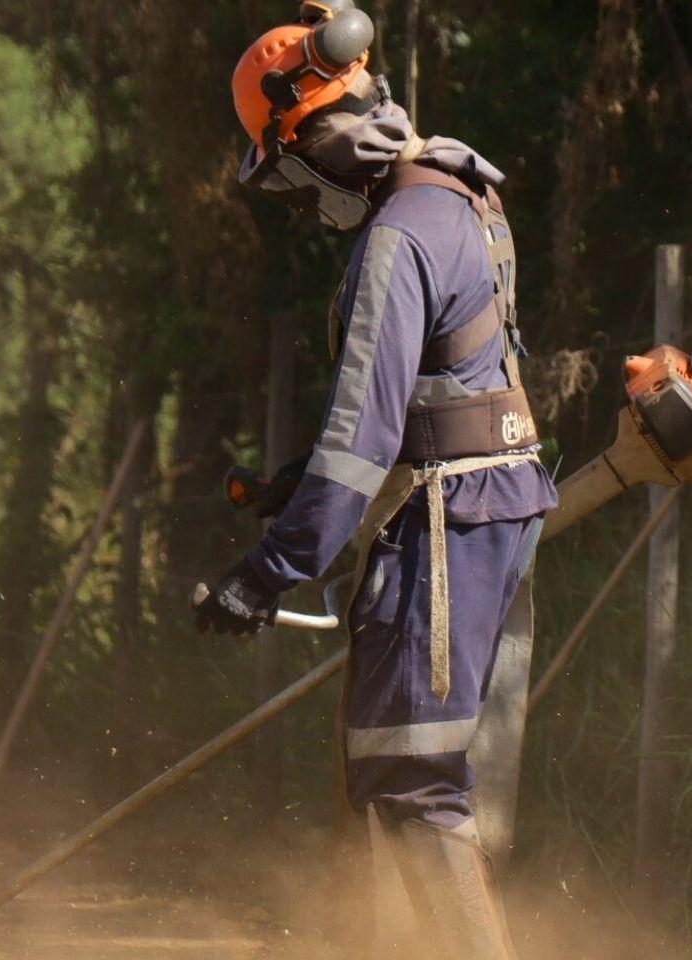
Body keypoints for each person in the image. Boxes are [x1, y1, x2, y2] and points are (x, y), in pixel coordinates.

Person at [194, 3, 557, 956]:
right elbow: (442, 388)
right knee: (426, 777)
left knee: (413, 781)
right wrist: (299, 483)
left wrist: (264, 575)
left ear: (312, 138)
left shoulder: (397, 237)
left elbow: (360, 444)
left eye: (290, 173)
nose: (302, 201)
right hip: (494, 509)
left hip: (448, 522)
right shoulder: (460, 193)